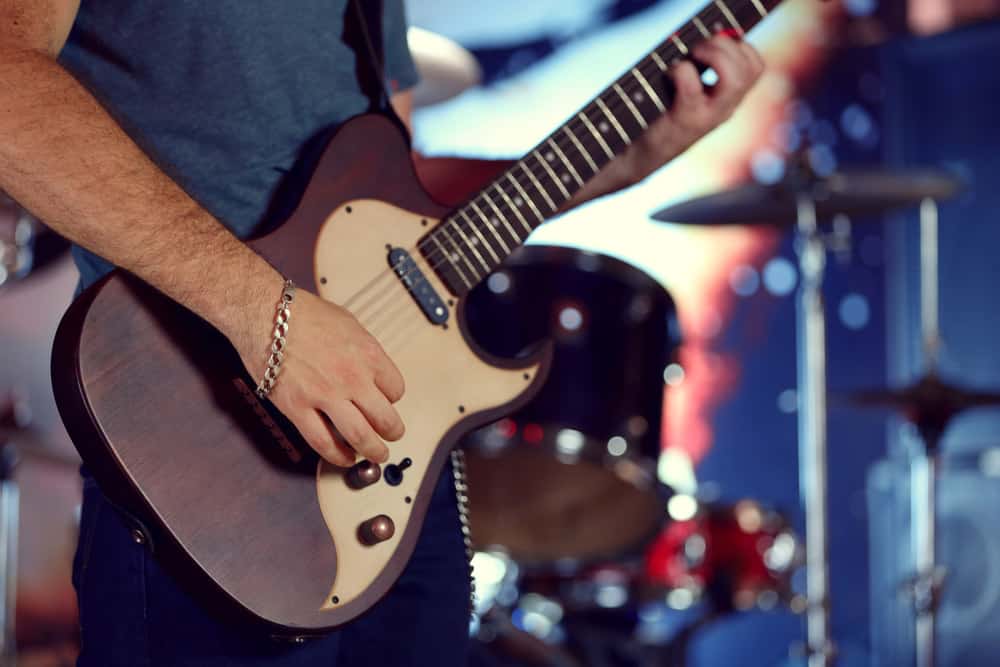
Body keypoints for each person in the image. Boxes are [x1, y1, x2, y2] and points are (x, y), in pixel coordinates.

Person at [0, 1, 765, 665]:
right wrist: (271, 320)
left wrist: (627, 158)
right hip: (207, 450)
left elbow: (397, 186)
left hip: (390, 467)